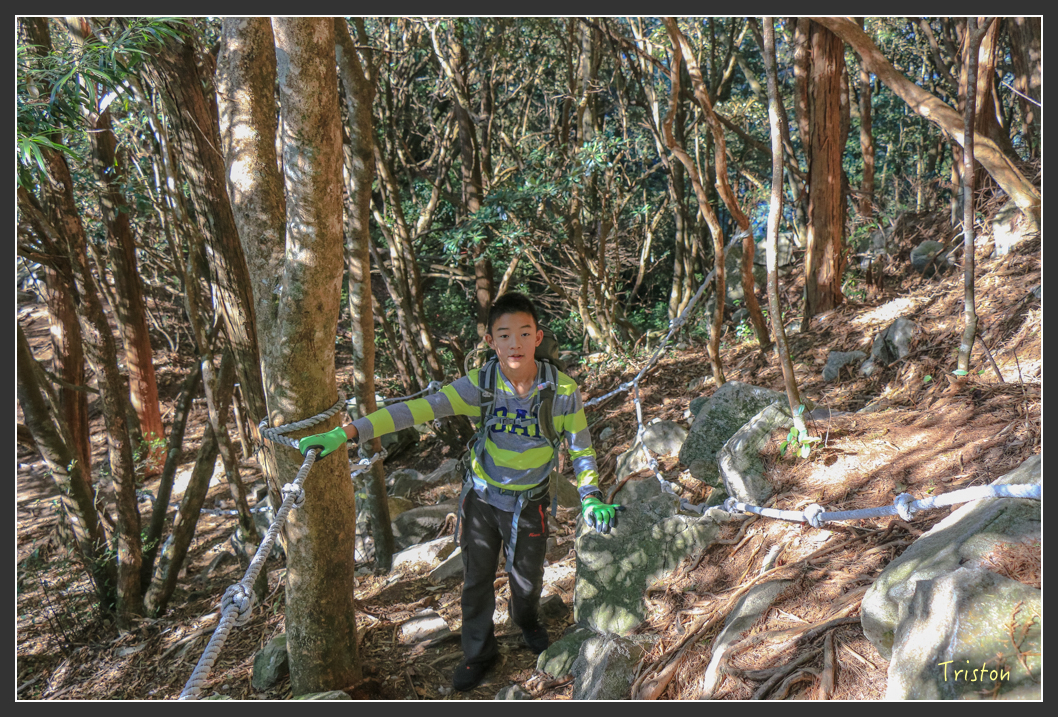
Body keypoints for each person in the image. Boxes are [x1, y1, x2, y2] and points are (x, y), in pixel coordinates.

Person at [297, 292, 624, 692]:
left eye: (524, 333)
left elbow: (581, 447)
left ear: (538, 337)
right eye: (504, 335)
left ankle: (527, 621)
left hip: (530, 501)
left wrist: (590, 494)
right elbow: (416, 409)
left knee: (527, 579)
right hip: (482, 499)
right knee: (476, 580)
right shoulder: (480, 385)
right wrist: (349, 432)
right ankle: (478, 653)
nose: (515, 343)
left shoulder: (561, 390)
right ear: (491, 341)